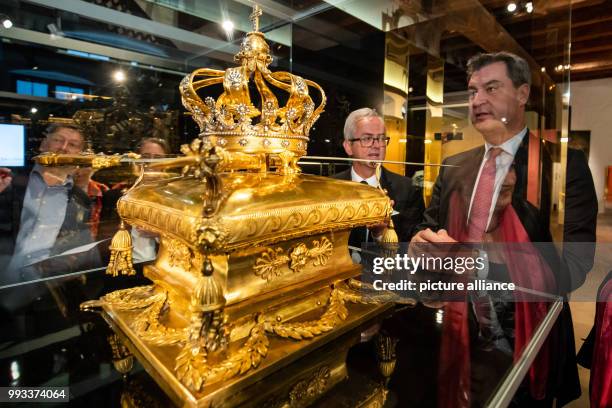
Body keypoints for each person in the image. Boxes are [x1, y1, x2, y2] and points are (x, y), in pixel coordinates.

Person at [411, 52, 597, 406]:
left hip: (527, 340)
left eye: (491, 88)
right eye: (472, 91)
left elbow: (574, 265)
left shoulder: (560, 166)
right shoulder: (454, 166)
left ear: (523, 94)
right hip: (457, 335)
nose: (477, 100)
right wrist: (422, 245)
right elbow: (427, 229)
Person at [0, 124, 100, 283]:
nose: (64, 148)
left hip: (41, 290)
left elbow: (79, 248)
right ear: (43, 145)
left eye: (73, 145)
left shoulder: (80, 200)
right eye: (58, 140)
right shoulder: (9, 181)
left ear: (79, 155)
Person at [333, 108, 425, 248]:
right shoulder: (331, 187)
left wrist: (381, 234)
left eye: (381, 138)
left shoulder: (408, 189)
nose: (376, 145)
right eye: (367, 138)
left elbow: (413, 247)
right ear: (348, 146)